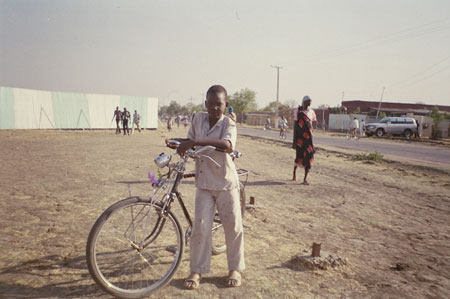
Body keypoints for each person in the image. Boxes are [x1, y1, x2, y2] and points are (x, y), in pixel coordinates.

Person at [168, 85, 244, 290]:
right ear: (205, 104)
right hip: (203, 182)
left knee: (233, 225)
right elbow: (191, 141)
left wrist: (194, 141)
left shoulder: (229, 123)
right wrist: (178, 142)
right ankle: (196, 270)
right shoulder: (198, 119)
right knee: (200, 227)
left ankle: (234, 268)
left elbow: (227, 145)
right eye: (210, 104)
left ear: (225, 105)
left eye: (218, 104)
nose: (214, 108)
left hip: (225, 181)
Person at [293, 95, 316, 185]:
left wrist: (311, 133)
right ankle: (294, 173)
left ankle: (305, 179)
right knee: (299, 156)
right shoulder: (298, 112)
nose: (309, 103)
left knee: (309, 156)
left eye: (310, 101)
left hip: (308, 138)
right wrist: (294, 141)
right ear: (304, 102)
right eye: (308, 101)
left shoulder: (312, 112)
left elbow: (311, 124)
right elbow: (295, 126)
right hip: (299, 138)